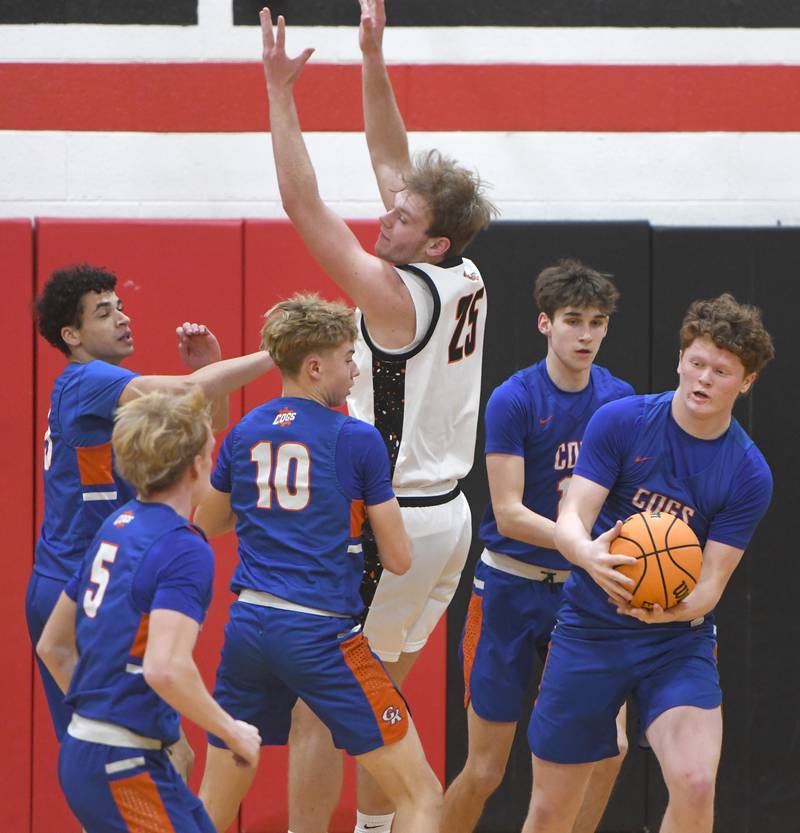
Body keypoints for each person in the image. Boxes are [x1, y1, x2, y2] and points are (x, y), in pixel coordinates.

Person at [258, 3, 497, 830]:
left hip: (389, 520)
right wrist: (372, 60)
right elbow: (395, 163)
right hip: (448, 520)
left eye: (402, 217)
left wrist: (279, 94)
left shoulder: (395, 295)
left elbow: (303, 205)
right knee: (376, 693)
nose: (385, 212)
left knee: (317, 707)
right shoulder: (465, 274)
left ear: (431, 244)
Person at [523, 293, 774, 833]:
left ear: (746, 382)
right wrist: (588, 554)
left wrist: (669, 611)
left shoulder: (748, 473)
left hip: (675, 641)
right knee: (549, 811)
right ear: (680, 359)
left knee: (696, 782)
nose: (704, 379)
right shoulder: (622, 421)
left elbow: (711, 584)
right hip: (590, 630)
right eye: (697, 362)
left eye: (722, 371)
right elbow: (572, 517)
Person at [194, 294, 442, 833]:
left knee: (212, 803)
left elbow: (208, 522)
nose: (355, 370)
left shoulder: (246, 430)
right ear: (313, 367)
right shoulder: (355, 438)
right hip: (319, 632)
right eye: (348, 358)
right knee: (423, 794)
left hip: (249, 628)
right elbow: (399, 559)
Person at [27, 263, 273, 774]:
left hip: (96, 575)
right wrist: (279, 352)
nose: (123, 318)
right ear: (71, 335)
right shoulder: (89, 379)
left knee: (153, 754)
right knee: (131, 755)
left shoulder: (104, 389)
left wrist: (213, 372)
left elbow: (203, 426)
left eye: (120, 307)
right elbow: (187, 392)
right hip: (80, 581)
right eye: (104, 313)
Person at [441, 260, 634, 833]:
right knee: (485, 770)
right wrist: (582, 545)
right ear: (545, 323)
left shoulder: (619, 400)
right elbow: (508, 513)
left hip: (582, 594)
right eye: (573, 321)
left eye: (597, 322)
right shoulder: (514, 398)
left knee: (610, 750)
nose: (586, 334)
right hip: (509, 587)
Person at [36, 389, 261, 833]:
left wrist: (109, 719)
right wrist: (232, 731)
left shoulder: (115, 525)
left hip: (91, 749)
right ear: (195, 465)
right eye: (210, 451)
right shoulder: (183, 547)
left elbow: (53, 646)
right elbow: (165, 668)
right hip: (122, 762)